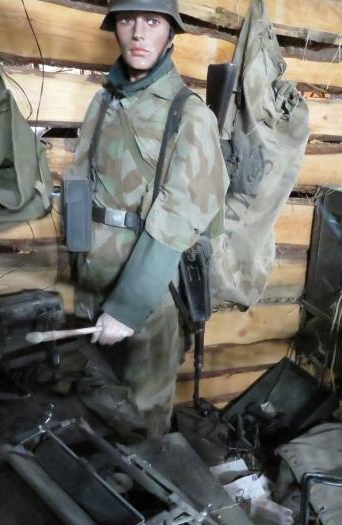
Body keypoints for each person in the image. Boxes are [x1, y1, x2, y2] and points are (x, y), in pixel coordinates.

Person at [68, 0, 229, 438]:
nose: (138, 33)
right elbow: (80, 181)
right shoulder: (103, 101)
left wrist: (127, 308)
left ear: (170, 34)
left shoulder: (190, 115)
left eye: (152, 22)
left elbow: (179, 216)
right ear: (116, 28)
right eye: (127, 20)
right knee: (94, 399)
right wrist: (77, 269)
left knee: (142, 417)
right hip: (92, 279)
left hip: (149, 293)